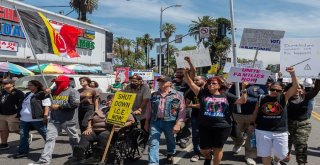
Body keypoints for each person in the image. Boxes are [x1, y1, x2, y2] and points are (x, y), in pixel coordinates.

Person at [183, 70, 247, 165]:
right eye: (209, 83)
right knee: (204, 149)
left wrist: (244, 89)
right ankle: (208, 157)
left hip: (223, 127)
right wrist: (185, 73)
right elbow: (190, 83)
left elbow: (242, 101)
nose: (211, 84)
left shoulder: (226, 95)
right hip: (205, 126)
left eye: (214, 83)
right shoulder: (202, 93)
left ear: (219, 85)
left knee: (218, 149)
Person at [66, 94, 135, 164]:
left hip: (110, 131)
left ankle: (97, 156)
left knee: (103, 135)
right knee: (85, 135)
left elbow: (131, 121)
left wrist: (122, 125)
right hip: (95, 130)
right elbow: (90, 118)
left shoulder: (122, 111)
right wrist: (89, 127)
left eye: (111, 100)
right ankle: (77, 157)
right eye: (108, 100)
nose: (108, 102)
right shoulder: (102, 109)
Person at [29, 75, 80, 165]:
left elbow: (75, 104)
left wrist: (59, 106)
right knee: (49, 139)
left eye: (59, 82)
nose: (56, 84)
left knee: (74, 139)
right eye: (56, 82)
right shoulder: (54, 91)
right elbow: (39, 97)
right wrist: (44, 91)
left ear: (65, 83)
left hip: (68, 120)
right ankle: (44, 161)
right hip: (54, 119)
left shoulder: (73, 92)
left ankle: (78, 156)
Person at [252, 67, 298, 165]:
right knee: (265, 154)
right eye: (273, 89)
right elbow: (255, 112)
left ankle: (276, 160)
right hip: (262, 130)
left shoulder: (284, 98)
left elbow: (295, 87)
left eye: (278, 90)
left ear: (282, 90)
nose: (275, 92)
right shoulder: (262, 97)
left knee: (282, 154)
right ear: (269, 88)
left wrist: (293, 74)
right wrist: (252, 124)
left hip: (280, 131)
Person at [144, 76, 186, 165]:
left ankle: (170, 153)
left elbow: (182, 111)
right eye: (160, 81)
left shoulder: (178, 94)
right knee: (153, 142)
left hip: (170, 122)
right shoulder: (154, 94)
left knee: (170, 140)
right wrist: (146, 122)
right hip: (155, 122)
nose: (161, 83)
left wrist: (178, 124)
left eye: (163, 81)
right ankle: (153, 163)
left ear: (170, 83)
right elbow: (149, 109)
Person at [227, 83, 266, 165]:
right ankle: (239, 142)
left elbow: (262, 98)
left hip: (252, 115)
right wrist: (241, 94)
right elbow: (229, 96)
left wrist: (245, 99)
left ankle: (249, 156)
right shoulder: (236, 84)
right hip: (237, 114)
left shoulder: (259, 86)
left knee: (251, 136)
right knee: (234, 132)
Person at [284, 79, 320, 165]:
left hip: (302, 125)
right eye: (295, 88)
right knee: (286, 145)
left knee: (301, 145)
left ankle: (301, 162)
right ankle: (287, 153)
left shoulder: (305, 97)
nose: (297, 90)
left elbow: (315, 90)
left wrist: (318, 80)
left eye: (299, 88)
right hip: (287, 125)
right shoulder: (285, 98)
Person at [12, 80, 51, 159]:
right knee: (23, 136)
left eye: (30, 85)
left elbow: (47, 104)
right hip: (24, 119)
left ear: (36, 86)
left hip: (37, 119)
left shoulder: (41, 94)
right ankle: (23, 152)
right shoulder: (28, 94)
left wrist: (45, 116)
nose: (28, 86)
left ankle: (49, 151)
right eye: (28, 85)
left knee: (46, 135)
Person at [185, 75, 207, 162]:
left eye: (197, 80)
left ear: (204, 80)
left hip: (208, 117)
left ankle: (206, 152)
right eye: (193, 80)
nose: (194, 82)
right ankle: (196, 153)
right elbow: (187, 103)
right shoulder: (191, 91)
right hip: (195, 116)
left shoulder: (209, 91)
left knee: (207, 135)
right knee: (195, 135)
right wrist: (195, 105)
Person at [0, 78, 24, 150]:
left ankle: (26, 135)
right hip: (2, 114)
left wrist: (19, 113)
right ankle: (4, 144)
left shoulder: (18, 92)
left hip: (13, 114)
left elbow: (21, 104)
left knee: (15, 129)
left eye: (5, 83)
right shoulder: (2, 92)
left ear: (12, 84)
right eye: (2, 83)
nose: (3, 85)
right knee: (3, 130)